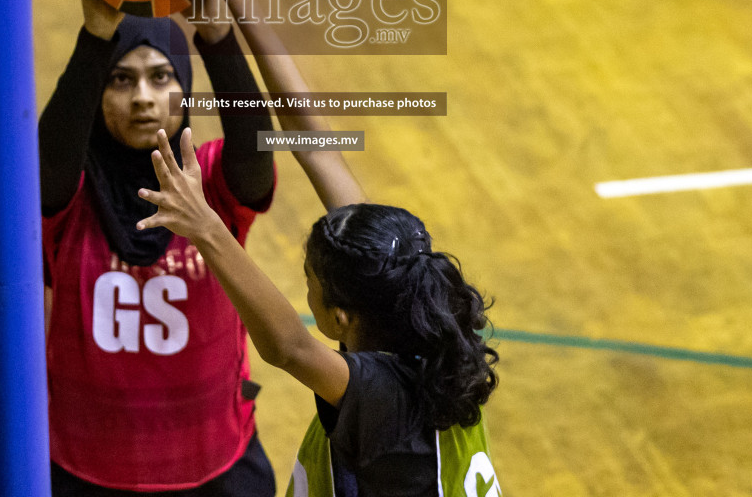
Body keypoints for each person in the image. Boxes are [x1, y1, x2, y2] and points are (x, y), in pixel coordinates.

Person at [42, 0, 364, 495]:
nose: (142, 96)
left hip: (217, 470)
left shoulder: (211, 176)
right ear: (97, 93)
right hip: (85, 473)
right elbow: (48, 171)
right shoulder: (71, 190)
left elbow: (256, 144)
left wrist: (215, 34)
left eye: (161, 76)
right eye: (120, 80)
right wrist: (94, 33)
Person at [137, 130, 500, 497]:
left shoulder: (385, 398)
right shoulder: (416, 322)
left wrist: (205, 226)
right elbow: (317, 149)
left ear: (340, 318)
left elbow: (289, 348)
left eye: (309, 282)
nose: (305, 288)